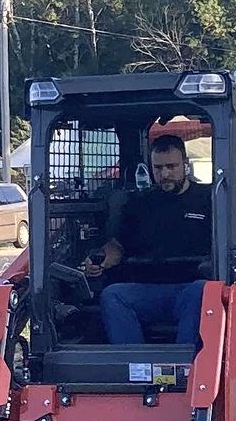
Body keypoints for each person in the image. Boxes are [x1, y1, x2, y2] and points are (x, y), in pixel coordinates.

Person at [86, 130, 213, 349]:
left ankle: (183, 364)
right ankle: (134, 364)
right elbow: (118, 245)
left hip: (190, 288)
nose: (165, 174)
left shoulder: (209, 198)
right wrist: (102, 260)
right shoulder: (139, 203)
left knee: (203, 290)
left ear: (185, 164)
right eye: (158, 168)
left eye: (171, 167)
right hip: (147, 289)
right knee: (113, 295)